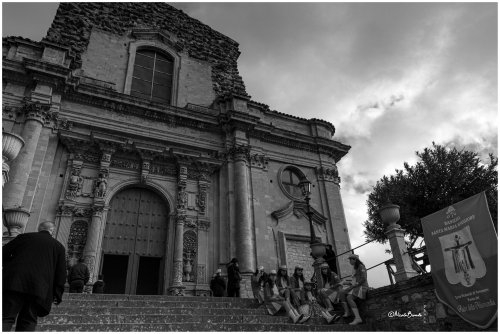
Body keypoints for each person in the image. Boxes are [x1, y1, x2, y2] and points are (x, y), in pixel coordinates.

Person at [2, 221, 66, 331]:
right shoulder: (58, 246)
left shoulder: (24, 237)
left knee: (6, 317)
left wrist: (9, 266)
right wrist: (57, 293)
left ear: (38, 228)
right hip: (39, 287)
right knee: (29, 320)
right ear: (53, 231)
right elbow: (60, 273)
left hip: (15, 282)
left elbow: (3, 252)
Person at [338, 254, 369, 325]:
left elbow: (363, 278)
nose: (349, 261)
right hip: (356, 287)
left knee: (349, 297)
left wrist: (354, 285)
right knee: (342, 292)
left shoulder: (361, 267)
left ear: (355, 260)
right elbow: (353, 281)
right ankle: (347, 311)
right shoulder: (355, 268)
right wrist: (346, 283)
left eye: (350, 259)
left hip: (362, 287)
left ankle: (358, 318)